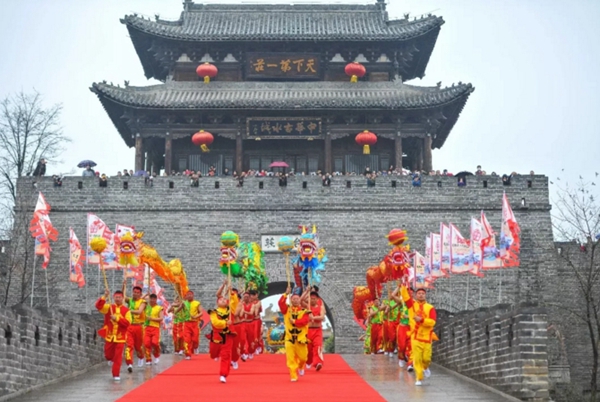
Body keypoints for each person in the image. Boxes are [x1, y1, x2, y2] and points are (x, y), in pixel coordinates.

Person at [400, 286, 436, 386]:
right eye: (419, 293)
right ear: (416, 295)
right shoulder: (412, 306)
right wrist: (403, 286)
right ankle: (419, 378)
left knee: (426, 358)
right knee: (417, 358)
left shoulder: (430, 308)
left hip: (427, 337)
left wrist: (422, 320)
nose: (420, 295)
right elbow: (405, 297)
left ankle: (425, 367)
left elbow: (432, 322)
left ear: (425, 295)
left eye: (422, 294)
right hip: (415, 336)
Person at [96, 289, 132, 381]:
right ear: (113, 297)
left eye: (119, 297)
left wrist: (117, 319)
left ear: (122, 298)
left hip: (120, 337)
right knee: (108, 354)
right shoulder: (109, 307)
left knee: (118, 357)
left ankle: (116, 374)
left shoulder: (126, 310)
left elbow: (128, 323)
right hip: (110, 336)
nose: (118, 299)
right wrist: (104, 296)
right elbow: (98, 306)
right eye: (116, 297)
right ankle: (110, 359)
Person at [278, 286, 311, 382]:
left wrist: (295, 322)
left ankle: (301, 366)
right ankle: (293, 374)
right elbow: (280, 303)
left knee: (303, 358)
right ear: (291, 300)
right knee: (290, 358)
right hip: (289, 338)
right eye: (294, 299)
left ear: (300, 300)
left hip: (301, 339)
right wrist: (286, 293)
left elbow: (305, 321)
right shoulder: (287, 310)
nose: (296, 300)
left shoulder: (304, 311)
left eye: (297, 299)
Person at [208, 293, 235, 383]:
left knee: (226, 355)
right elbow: (215, 323)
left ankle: (223, 374)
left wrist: (233, 294)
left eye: (225, 299)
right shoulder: (213, 312)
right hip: (217, 335)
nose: (223, 300)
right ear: (217, 302)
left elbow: (235, 303)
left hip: (227, 335)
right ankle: (215, 355)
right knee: (213, 352)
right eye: (221, 299)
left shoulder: (230, 311)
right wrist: (226, 322)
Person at [123, 284, 147, 372]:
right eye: (134, 292)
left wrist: (128, 311)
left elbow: (139, 312)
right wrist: (124, 284)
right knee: (129, 345)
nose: (135, 294)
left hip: (139, 326)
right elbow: (122, 297)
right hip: (129, 326)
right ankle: (129, 363)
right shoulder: (130, 300)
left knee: (138, 346)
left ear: (140, 294)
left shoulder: (143, 302)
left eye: (137, 293)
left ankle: (141, 356)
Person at [177, 290, 202, 360]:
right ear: (186, 296)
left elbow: (201, 313)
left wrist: (195, 316)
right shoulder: (184, 303)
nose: (189, 296)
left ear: (193, 295)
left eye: (190, 294)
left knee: (195, 339)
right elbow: (177, 311)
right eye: (188, 295)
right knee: (187, 339)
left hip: (195, 323)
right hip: (187, 324)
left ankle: (196, 347)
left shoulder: (197, 303)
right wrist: (181, 306)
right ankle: (188, 354)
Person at [391, 286, 411, 367]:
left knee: (411, 346)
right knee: (402, 345)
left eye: (410, 293)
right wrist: (399, 287)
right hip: (402, 327)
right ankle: (401, 358)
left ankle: (410, 363)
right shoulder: (402, 302)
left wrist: (409, 317)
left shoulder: (415, 303)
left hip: (411, 327)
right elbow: (393, 295)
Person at [306, 290, 325, 371]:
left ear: (317, 299)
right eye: (311, 298)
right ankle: (309, 361)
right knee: (308, 348)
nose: (313, 300)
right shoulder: (307, 307)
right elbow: (300, 301)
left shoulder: (321, 307)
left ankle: (318, 363)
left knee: (318, 346)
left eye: (314, 298)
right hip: (308, 330)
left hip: (317, 330)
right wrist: (306, 291)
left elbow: (322, 317)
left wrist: (314, 318)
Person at [143, 294, 164, 365]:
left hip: (155, 328)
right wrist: (145, 295)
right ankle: (148, 359)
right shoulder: (146, 307)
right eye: (150, 299)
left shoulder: (159, 308)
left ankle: (156, 355)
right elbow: (140, 301)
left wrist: (152, 319)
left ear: (156, 299)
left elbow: (161, 318)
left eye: (153, 299)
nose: (152, 300)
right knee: (146, 343)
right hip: (147, 327)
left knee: (155, 342)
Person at [382, 290, 399, 357]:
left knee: (395, 337)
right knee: (388, 337)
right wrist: (386, 309)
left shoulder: (398, 301)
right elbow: (381, 310)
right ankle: (387, 349)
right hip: (389, 321)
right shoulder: (386, 302)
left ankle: (392, 348)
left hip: (397, 321)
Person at [250, 289, 263, 356]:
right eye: (251, 295)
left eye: (253, 295)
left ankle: (257, 347)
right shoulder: (248, 302)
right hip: (249, 321)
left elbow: (256, 310)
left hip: (256, 320)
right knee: (250, 335)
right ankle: (251, 349)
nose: (251, 296)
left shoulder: (258, 302)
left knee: (256, 334)